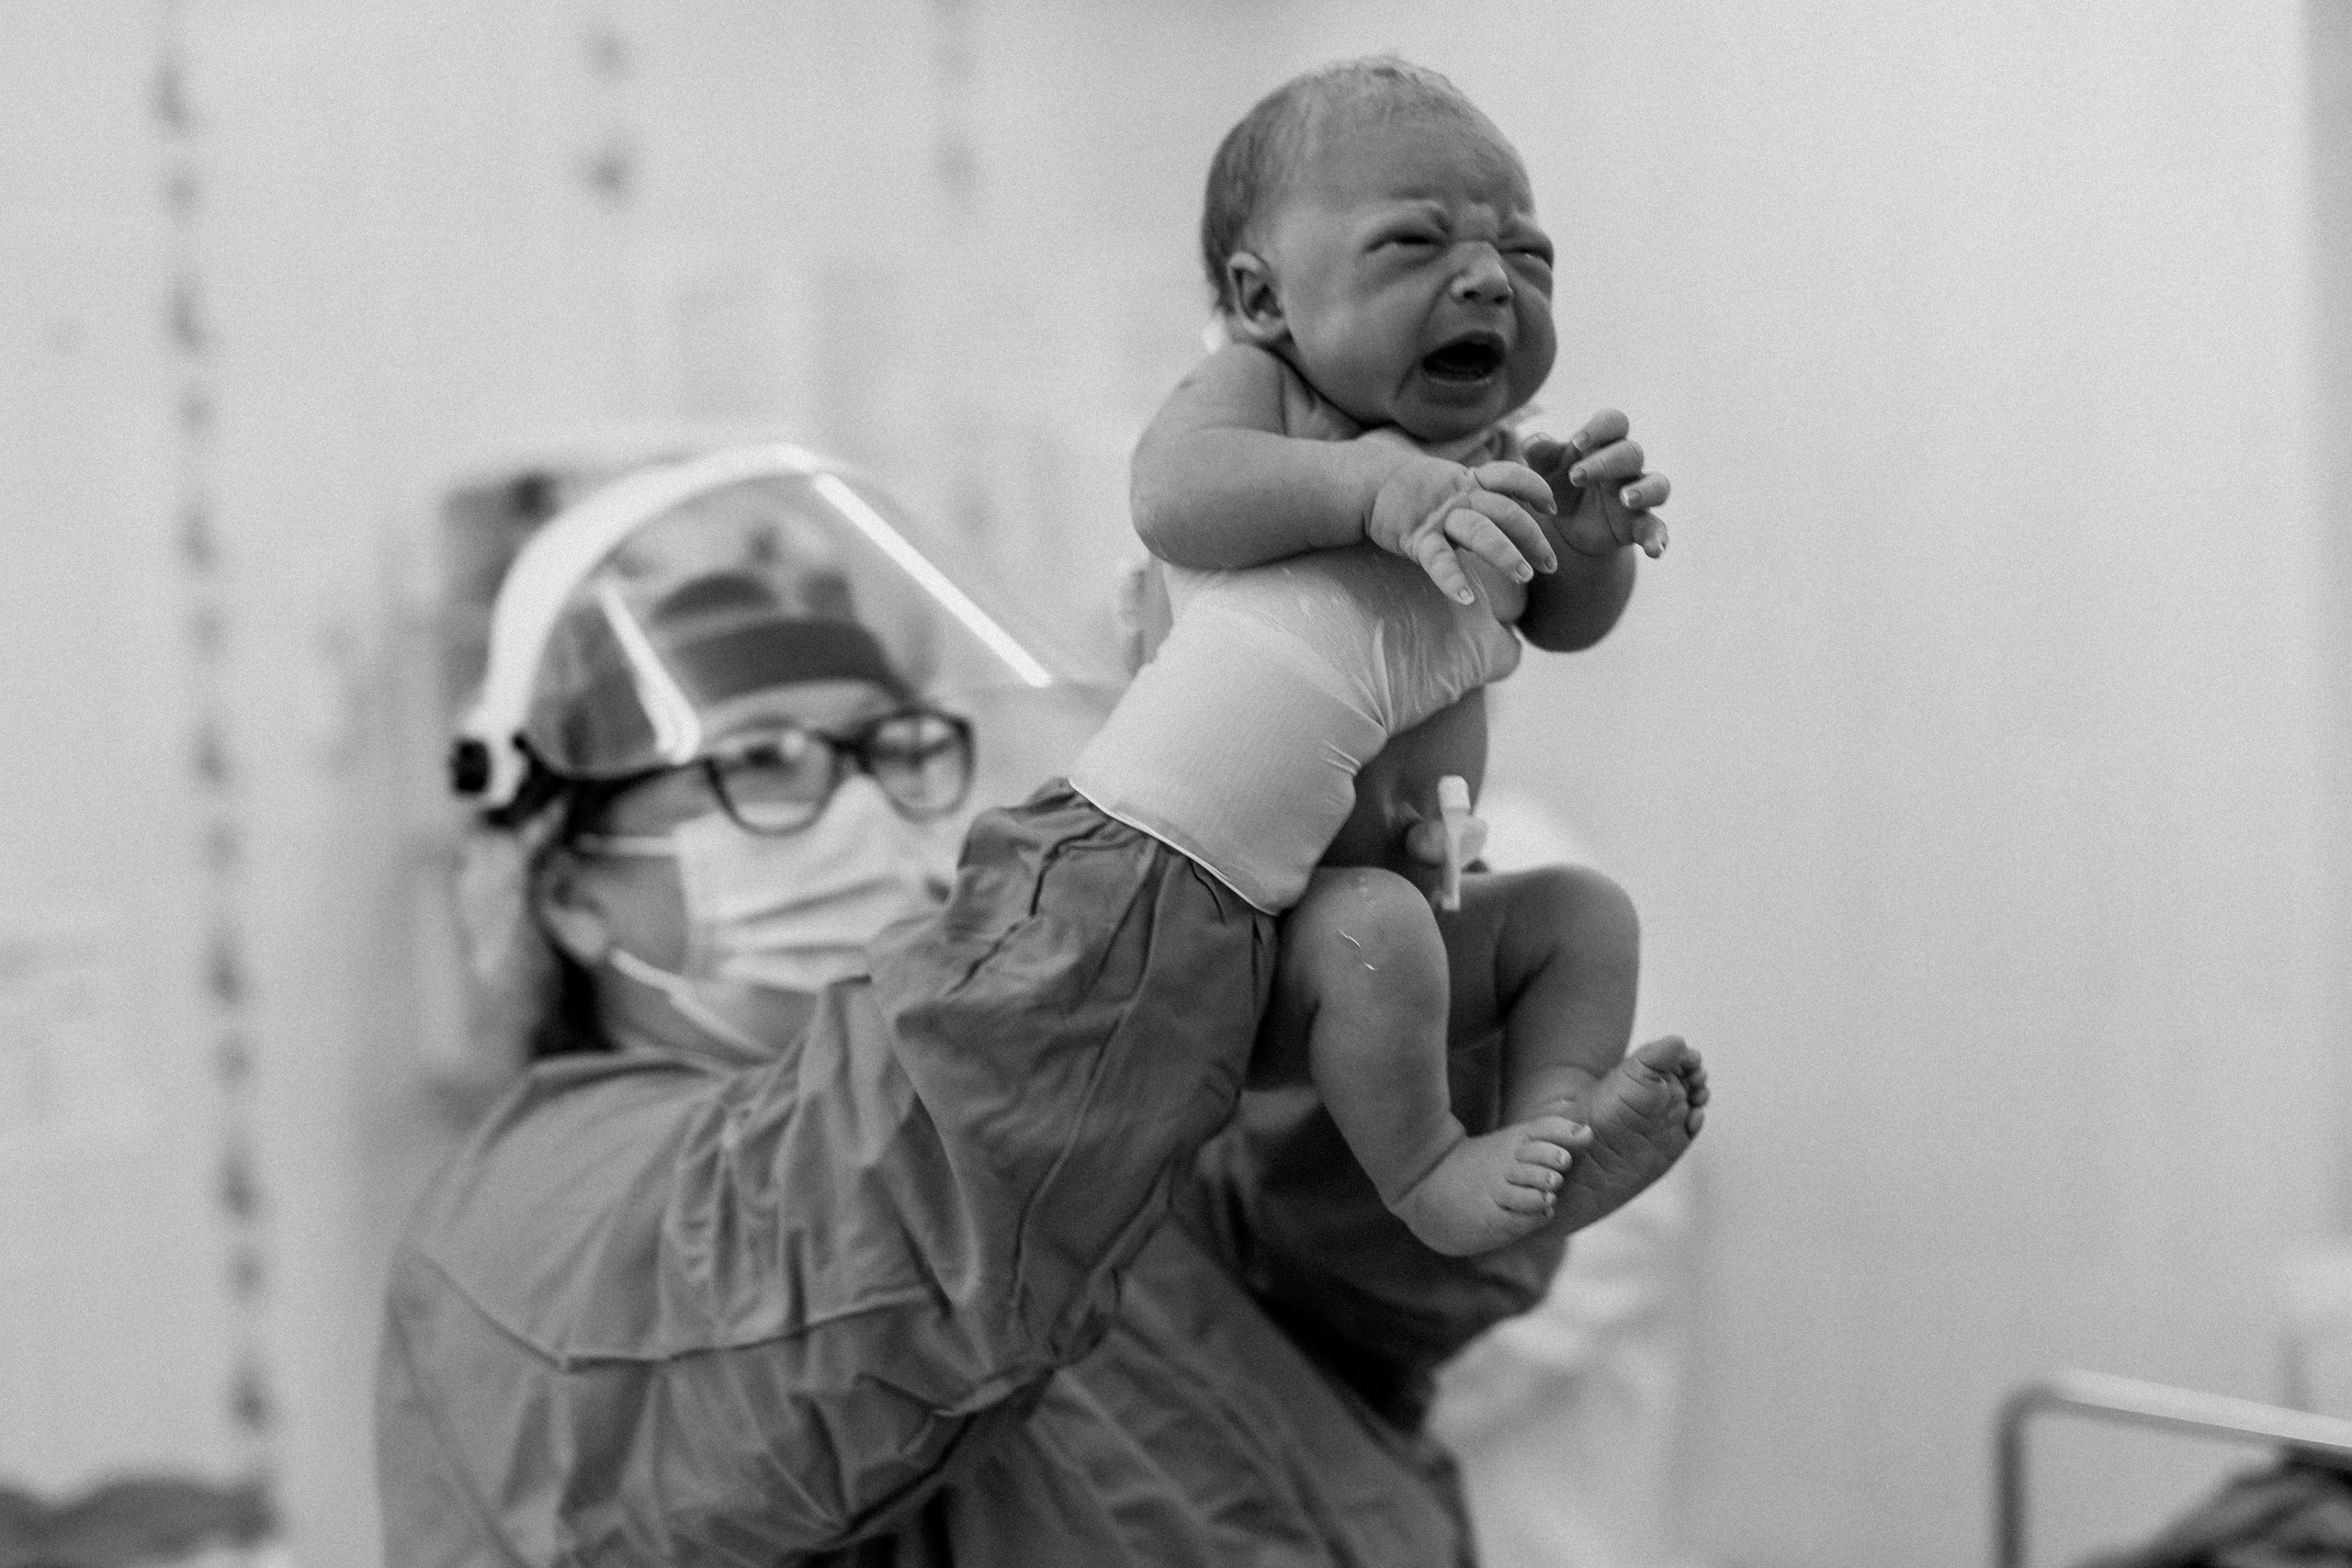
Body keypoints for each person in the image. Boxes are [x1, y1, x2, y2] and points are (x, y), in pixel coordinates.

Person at [373, 442, 1684, 1563]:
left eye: (894, 747)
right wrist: (1235, 732)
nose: (861, 807)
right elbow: (864, 1234)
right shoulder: (522, 1228)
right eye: (762, 763)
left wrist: (1397, 1008)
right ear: (565, 890)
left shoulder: (1064, 1162)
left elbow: (1346, 1308)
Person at [1070, 56, 1704, 1257]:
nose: (1487, 279)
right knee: (1378, 926)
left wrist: (1588, 546)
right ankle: (1433, 1181)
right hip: (1251, 942)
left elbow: (1566, 621)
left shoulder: (1487, 455)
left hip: (1402, 917)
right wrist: (1371, 487)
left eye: (1528, 255)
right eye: (1416, 245)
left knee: (1583, 917)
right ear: (1265, 298)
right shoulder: (1266, 397)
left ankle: (1553, 1134)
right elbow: (1171, 495)